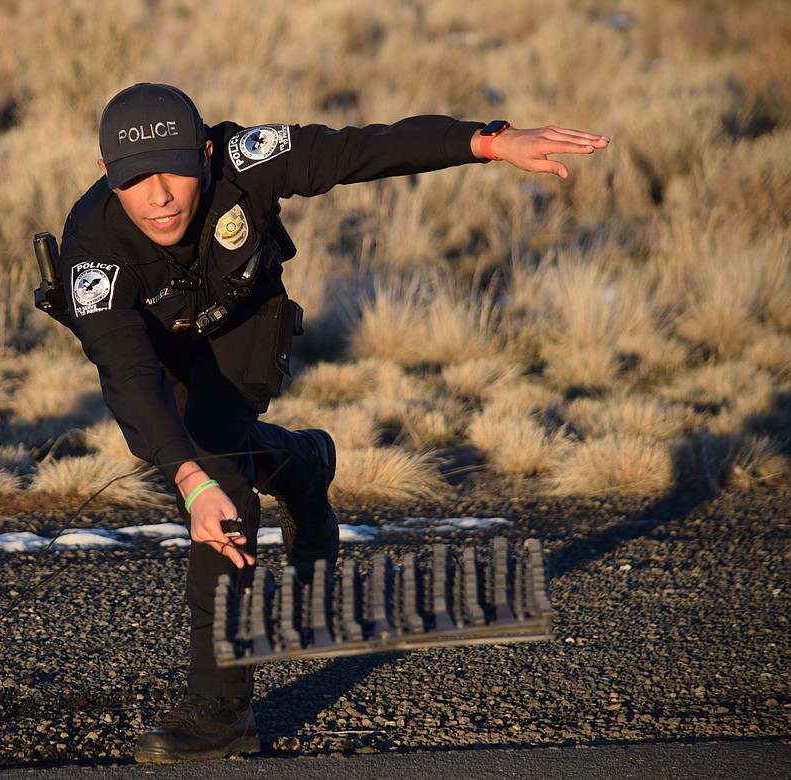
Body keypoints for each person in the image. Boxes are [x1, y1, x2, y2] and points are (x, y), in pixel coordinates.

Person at [50, 82, 609, 764]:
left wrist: (487, 140)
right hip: (158, 349)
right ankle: (302, 465)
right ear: (108, 176)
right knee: (199, 463)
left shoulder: (245, 159)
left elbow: (357, 150)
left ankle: (222, 708)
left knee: (217, 458)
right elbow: (127, 374)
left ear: (203, 153)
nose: (160, 195)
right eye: (137, 180)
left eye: (174, 169)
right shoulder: (91, 248)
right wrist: (188, 481)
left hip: (245, 328)